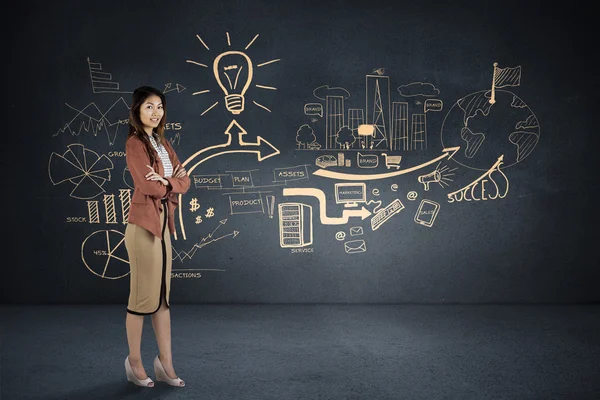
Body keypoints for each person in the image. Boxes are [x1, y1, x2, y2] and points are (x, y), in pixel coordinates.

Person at [123, 86, 190, 387]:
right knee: (142, 298)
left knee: (162, 298)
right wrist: (169, 183)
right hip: (143, 226)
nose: (155, 112)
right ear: (137, 110)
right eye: (149, 106)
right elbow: (148, 186)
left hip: (164, 225)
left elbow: (186, 180)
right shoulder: (135, 143)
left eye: (160, 106)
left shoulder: (162, 142)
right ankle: (134, 363)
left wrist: (167, 180)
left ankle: (165, 363)